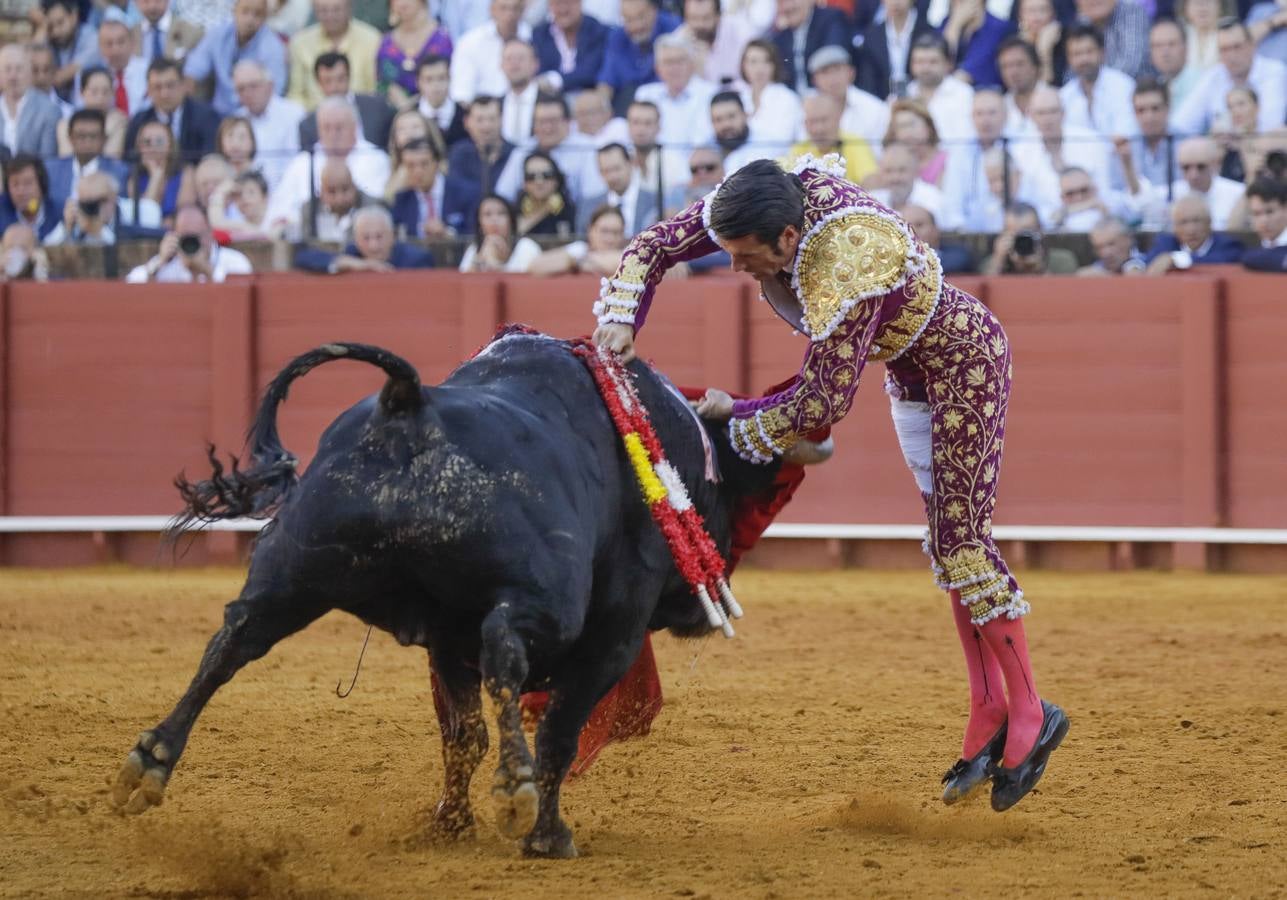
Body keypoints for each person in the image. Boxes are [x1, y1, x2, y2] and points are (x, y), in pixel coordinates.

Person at [592, 154, 1069, 813]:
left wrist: (739, 412)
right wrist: (623, 316)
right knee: (948, 546)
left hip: (966, 365)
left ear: (787, 238)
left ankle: (1030, 711)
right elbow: (657, 244)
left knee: (962, 544)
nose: (735, 265)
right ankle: (989, 707)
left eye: (745, 255)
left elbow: (821, 402)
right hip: (911, 376)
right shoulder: (763, 198)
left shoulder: (849, 259)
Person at [1171, 19, 1287, 137]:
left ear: (1252, 45)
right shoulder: (1213, 76)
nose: (1231, 56)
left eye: (1237, 47)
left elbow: (1271, 127)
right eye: (1224, 50)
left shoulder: (1274, 71)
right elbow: (1180, 125)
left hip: (1265, 145)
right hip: (1223, 146)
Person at [182, 0, 286, 116]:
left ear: (265, 17)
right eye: (245, 11)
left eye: (257, 14)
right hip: (217, 113)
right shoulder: (219, 33)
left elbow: (274, 93)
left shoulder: (272, 46)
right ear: (234, 11)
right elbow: (193, 69)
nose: (250, 19)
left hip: (252, 115)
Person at [123, 58, 223, 166]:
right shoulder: (139, 122)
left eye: (170, 86)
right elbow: (129, 162)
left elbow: (211, 159)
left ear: (183, 85)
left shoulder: (206, 117)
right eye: (157, 87)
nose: (164, 94)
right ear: (148, 90)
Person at [287, 0, 382, 111]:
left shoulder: (372, 39)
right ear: (315, 11)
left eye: (336, 10)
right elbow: (296, 94)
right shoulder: (300, 42)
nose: (330, 15)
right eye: (323, 10)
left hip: (360, 113)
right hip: (314, 114)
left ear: (349, 8)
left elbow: (374, 90)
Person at [126, 204, 253, 282]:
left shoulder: (234, 261)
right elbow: (131, 286)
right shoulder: (167, 263)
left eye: (197, 236)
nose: (192, 242)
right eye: (185, 237)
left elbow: (239, 295)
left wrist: (208, 271)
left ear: (209, 232)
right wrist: (159, 262)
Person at [634, 32, 717, 150]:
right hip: (654, 158)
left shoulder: (711, 93)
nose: (674, 68)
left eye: (680, 61)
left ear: (692, 64)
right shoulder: (645, 94)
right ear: (657, 68)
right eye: (668, 62)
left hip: (699, 158)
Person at [297, 52, 396, 150]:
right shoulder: (308, 125)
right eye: (327, 81)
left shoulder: (377, 107)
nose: (334, 87)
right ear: (318, 83)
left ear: (349, 77)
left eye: (340, 79)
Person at [294, 204, 434, 272]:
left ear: (392, 236)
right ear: (355, 239)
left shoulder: (415, 260)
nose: (374, 246)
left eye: (379, 236)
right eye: (366, 238)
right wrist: (355, 263)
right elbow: (303, 258)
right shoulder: (353, 254)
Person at [807, 45, 890, 158]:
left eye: (837, 70)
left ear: (851, 73)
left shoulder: (875, 109)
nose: (832, 78)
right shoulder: (806, 108)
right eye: (825, 72)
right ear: (814, 80)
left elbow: (880, 156)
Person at [232, 60, 303, 190]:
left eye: (253, 86)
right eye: (241, 89)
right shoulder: (235, 120)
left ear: (270, 86)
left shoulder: (294, 114)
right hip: (248, 192)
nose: (247, 93)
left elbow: (297, 162)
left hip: (289, 190)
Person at [1059, 24, 1138, 140]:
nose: (1084, 59)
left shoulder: (1123, 86)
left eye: (1089, 51)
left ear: (1102, 53)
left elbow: (1125, 135)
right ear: (1069, 59)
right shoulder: (1065, 95)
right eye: (1077, 54)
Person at [390, 137, 474, 237]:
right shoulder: (402, 200)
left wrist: (448, 233)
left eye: (424, 164)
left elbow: (473, 231)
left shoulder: (464, 193)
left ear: (437, 163)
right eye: (410, 165)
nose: (418, 171)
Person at [450, 0, 528, 105]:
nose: (510, 14)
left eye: (515, 8)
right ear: (492, 10)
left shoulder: (533, 38)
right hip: (480, 109)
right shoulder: (470, 43)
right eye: (503, 8)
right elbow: (461, 93)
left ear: (523, 11)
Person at [377, 0, 453, 108]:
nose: (402, 3)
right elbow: (382, 83)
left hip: (434, 108)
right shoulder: (386, 43)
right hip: (394, 110)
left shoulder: (442, 39)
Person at [1144, 193, 1244, 273]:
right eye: (1183, 222)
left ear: (1209, 222)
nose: (1191, 230)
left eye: (1197, 221)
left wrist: (1178, 259)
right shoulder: (1166, 243)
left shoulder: (1228, 246)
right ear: (1174, 227)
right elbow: (1147, 262)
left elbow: (1223, 260)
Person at [789, 94, 878, 184]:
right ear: (805, 124)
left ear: (838, 118)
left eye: (824, 120)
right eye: (812, 121)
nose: (819, 129)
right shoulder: (799, 149)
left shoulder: (854, 143)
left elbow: (870, 181)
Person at [907, 32, 975, 148]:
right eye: (920, 62)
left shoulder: (965, 95)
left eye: (933, 62)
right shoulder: (903, 95)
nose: (925, 68)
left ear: (948, 64)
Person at [767, 0, 852, 93]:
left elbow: (832, 57)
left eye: (793, 1)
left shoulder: (830, 19)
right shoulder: (780, 38)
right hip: (793, 99)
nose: (788, 7)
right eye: (782, 2)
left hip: (829, 94)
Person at [855, 0, 935, 98]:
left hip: (922, 98)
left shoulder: (928, 32)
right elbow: (868, 79)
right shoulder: (872, 35)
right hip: (880, 101)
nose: (895, 2)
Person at [47, 109, 130, 202]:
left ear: (104, 139)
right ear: (70, 138)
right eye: (81, 136)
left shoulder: (121, 172)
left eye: (93, 136)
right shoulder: (50, 170)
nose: (87, 142)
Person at [578, 142, 658, 235]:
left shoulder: (655, 201)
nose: (613, 177)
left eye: (617, 168)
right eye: (606, 171)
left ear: (631, 164)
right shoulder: (589, 206)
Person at [734, 38, 802, 148]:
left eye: (766, 61)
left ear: (774, 65)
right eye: (753, 62)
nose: (759, 68)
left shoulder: (787, 98)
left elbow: (782, 140)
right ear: (743, 65)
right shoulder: (740, 98)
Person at [532, 0, 611, 94]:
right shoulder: (540, 34)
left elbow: (591, 71)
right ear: (549, 6)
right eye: (557, 3)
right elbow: (538, 71)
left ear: (580, 3)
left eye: (568, 2)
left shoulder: (597, 31)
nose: (563, 9)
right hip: (549, 98)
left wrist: (555, 79)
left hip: (588, 95)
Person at [981, 200, 1079, 274]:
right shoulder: (993, 262)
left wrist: (1040, 269)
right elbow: (982, 293)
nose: (1021, 240)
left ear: (1040, 231)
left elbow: (1063, 292)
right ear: (1004, 235)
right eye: (1015, 235)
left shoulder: (1062, 261)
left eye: (1027, 234)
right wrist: (998, 262)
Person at [528, 202, 627, 275]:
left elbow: (621, 264)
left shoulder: (630, 253)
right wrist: (576, 261)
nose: (610, 239)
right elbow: (536, 266)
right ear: (590, 230)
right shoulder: (579, 248)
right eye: (604, 231)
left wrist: (578, 262)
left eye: (616, 232)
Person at [0, 44, 61, 160]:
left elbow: (48, 159)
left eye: (19, 69)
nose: (13, 76)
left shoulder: (49, 110)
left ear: (29, 73)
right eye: (7, 69)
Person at [124, 119, 191, 224]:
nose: (153, 147)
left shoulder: (186, 173)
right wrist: (155, 176)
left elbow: (184, 212)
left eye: (159, 141)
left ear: (170, 145)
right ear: (139, 147)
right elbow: (143, 217)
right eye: (147, 142)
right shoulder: (134, 176)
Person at [675, 0, 756, 86]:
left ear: (718, 16)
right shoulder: (678, 40)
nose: (700, 24)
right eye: (693, 18)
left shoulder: (740, 33)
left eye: (706, 18)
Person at [941, 0, 1016, 89]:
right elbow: (938, 64)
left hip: (985, 92)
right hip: (947, 91)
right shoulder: (945, 26)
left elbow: (966, 75)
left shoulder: (999, 29)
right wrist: (954, 26)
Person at [458, 193, 542, 272]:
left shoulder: (527, 247)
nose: (494, 219)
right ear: (479, 224)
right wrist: (480, 258)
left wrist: (493, 263)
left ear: (511, 221)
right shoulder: (474, 249)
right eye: (487, 214)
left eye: (501, 213)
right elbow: (462, 280)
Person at [59, 66, 129, 159]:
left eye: (105, 92)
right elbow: (66, 160)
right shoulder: (65, 124)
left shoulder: (119, 122)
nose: (100, 98)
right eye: (94, 92)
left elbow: (111, 160)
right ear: (81, 92)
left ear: (113, 93)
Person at [43, 170, 125, 244]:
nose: (89, 208)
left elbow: (123, 250)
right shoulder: (76, 227)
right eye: (84, 203)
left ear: (112, 199)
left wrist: (99, 232)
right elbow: (46, 247)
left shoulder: (126, 225)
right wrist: (66, 228)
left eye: (94, 203)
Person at [1074, 0, 1149, 79]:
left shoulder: (1131, 11)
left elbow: (1130, 63)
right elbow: (1073, 70)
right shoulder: (1082, 21)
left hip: (1136, 83)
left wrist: (1097, 84)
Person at [91, 17, 148, 117]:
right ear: (100, 47)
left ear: (132, 42)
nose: (115, 50)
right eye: (109, 44)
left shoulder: (148, 70)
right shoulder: (92, 76)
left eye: (121, 42)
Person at [42, 0, 98, 100]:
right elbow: (32, 60)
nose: (56, 31)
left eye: (60, 22)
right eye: (51, 26)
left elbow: (59, 78)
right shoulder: (49, 38)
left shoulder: (90, 37)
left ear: (74, 16)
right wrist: (42, 30)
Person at [869, 142, 944, 217]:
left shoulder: (933, 199)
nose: (895, 178)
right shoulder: (874, 200)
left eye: (902, 170)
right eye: (888, 171)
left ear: (915, 171)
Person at [899, 201, 974, 273]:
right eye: (905, 226)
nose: (912, 231)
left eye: (919, 225)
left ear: (935, 228)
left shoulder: (957, 256)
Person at [410, 55, 467, 150]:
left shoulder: (465, 116)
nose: (436, 85)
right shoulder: (409, 115)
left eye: (441, 78)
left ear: (450, 79)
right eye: (429, 80)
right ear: (418, 82)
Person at [0, 154, 61, 242]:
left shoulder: (59, 213)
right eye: (15, 184)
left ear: (41, 185)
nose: (21, 191)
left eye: (27, 183)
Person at [516, 149, 576, 238]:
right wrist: (544, 209)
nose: (539, 181)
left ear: (556, 180)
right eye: (531, 176)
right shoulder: (515, 209)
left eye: (546, 175)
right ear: (524, 183)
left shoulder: (569, 210)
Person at [1149, 18, 1200, 114]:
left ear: (1186, 48)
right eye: (1158, 45)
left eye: (1171, 44)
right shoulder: (1155, 87)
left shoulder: (1201, 84)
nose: (1165, 52)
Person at [136, 0, 206, 64]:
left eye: (158, 0)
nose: (152, 6)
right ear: (135, 2)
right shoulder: (132, 34)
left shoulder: (193, 33)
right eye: (146, 1)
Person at [1077, 215, 1146, 274]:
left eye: (1111, 244)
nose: (1105, 253)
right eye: (1099, 247)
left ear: (1128, 240)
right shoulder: (1096, 268)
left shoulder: (1147, 263)